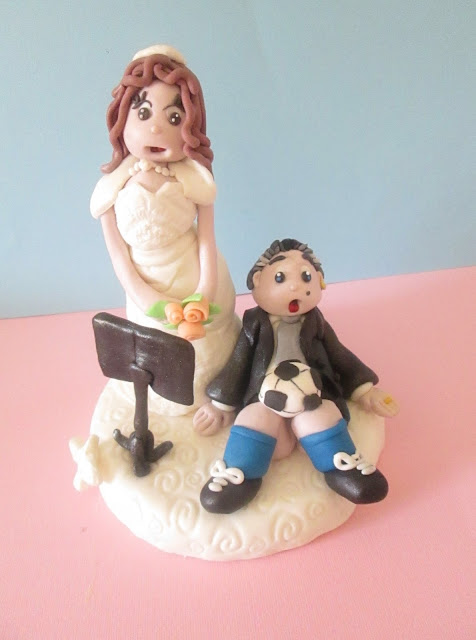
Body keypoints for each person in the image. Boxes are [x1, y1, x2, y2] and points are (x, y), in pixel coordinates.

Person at [195, 239, 400, 513]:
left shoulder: (316, 323)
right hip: (269, 408)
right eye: (280, 278)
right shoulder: (254, 325)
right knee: (253, 417)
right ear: (257, 281)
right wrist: (221, 404)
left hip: (313, 400)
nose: (295, 287)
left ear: (320, 282)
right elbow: (239, 362)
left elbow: (339, 355)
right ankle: (239, 473)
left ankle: (341, 464)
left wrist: (364, 390)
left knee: (321, 414)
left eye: (306, 277)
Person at [90, 44, 240, 415]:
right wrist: (146, 298)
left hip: (194, 278)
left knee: (206, 350)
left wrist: (204, 293)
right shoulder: (111, 189)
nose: (156, 127)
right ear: (122, 118)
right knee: (157, 353)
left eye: (174, 118)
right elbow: (118, 256)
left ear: (191, 126)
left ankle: (222, 395)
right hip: (147, 285)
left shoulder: (195, 181)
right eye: (143, 113)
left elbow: (207, 240)